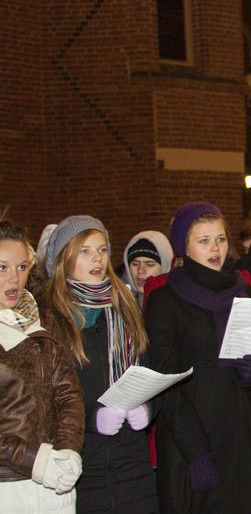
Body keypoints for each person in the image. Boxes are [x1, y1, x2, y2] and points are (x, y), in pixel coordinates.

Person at [145, 202, 251, 513]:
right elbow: (165, 383)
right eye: (203, 241)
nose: (215, 248)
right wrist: (196, 453)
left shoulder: (243, 291)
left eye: (220, 239)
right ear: (184, 247)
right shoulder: (165, 299)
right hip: (192, 440)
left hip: (241, 435)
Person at [41, 215, 158, 512]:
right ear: (64, 259)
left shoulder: (124, 309)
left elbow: (148, 375)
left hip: (133, 464)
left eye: (102, 249)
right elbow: (44, 399)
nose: (98, 258)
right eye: (85, 251)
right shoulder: (50, 318)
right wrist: (93, 418)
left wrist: (148, 407)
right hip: (82, 467)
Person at [0, 221, 84, 513]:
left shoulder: (42, 318)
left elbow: (67, 393)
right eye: (2, 268)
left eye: (22, 267)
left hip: (53, 482)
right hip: (7, 484)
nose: (14, 278)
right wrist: (36, 460)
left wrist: (68, 450)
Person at [122, 231, 173, 304]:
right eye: (135, 264)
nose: (140, 270)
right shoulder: (120, 305)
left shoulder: (178, 306)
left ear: (165, 267)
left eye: (150, 264)